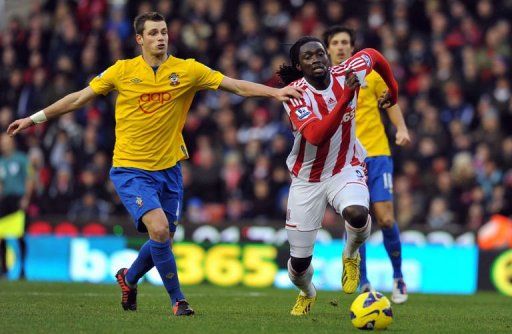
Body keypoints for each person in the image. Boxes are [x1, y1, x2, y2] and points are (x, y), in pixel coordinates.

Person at [7, 12, 302, 316]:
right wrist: (33, 119)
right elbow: (77, 99)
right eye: (153, 33)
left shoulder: (187, 70)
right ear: (140, 39)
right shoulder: (122, 71)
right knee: (159, 230)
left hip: (169, 169)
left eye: (163, 32)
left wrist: (275, 92)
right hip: (130, 169)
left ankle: (129, 277)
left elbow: (236, 86)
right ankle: (178, 300)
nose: (160, 37)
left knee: (163, 236)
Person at [277, 36, 398, 316]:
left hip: (346, 166)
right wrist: (345, 99)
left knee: (358, 214)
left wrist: (394, 90)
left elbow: (374, 55)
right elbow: (316, 136)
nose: (317, 59)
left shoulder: (346, 72)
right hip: (308, 179)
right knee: (297, 266)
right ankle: (307, 292)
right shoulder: (294, 94)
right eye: (308, 57)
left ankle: (351, 254)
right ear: (299, 65)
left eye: (320, 53)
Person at [323, 26, 410, 303]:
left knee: (385, 218)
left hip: (377, 152)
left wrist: (401, 129)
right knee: (357, 218)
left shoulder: (369, 74)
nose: (340, 47)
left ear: (352, 47)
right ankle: (364, 281)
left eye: (345, 42)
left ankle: (398, 277)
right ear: (327, 49)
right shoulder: (322, 80)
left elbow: (390, 101)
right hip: (347, 159)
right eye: (335, 43)